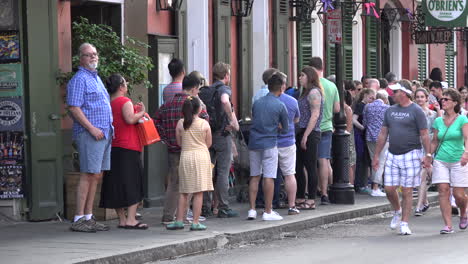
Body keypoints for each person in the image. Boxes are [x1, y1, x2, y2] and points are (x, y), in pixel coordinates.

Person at [372, 80, 432, 235]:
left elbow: (424, 134)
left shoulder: (416, 110)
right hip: (392, 153)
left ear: (404, 93)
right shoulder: (390, 110)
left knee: (407, 190)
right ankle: (397, 210)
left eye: (396, 92)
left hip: (411, 153)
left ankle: (405, 222)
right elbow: (383, 133)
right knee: (389, 189)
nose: (393, 94)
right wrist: (377, 155)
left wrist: (428, 155)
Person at [67, 43, 113, 233]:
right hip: (90, 134)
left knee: (96, 175)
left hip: (104, 133)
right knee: (87, 174)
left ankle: (88, 217)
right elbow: (73, 107)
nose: (93, 57)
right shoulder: (79, 79)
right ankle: (78, 218)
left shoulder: (95, 78)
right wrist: (92, 128)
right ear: (81, 58)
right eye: (88, 55)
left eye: (95, 54)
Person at [154, 75, 209, 225]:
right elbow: (205, 121)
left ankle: (168, 215)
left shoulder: (168, 103)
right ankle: (182, 216)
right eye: (197, 90)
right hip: (191, 149)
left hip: (173, 148)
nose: (197, 93)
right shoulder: (195, 105)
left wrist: (164, 137)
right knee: (189, 184)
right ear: (193, 89)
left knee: (173, 182)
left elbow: (156, 120)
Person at [100, 74, 147, 229]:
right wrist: (142, 112)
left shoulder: (108, 102)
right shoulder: (125, 101)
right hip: (129, 146)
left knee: (116, 182)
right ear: (121, 86)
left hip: (113, 145)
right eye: (125, 83)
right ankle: (131, 219)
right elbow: (130, 119)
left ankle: (121, 218)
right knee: (133, 182)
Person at [167, 96, 214, 231]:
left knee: (184, 191)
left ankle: (179, 220)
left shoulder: (180, 123)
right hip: (201, 156)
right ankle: (195, 222)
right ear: (199, 109)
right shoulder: (204, 124)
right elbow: (209, 143)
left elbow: (179, 143)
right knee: (199, 192)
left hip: (186, 156)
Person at [247, 73, 289, 221]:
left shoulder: (257, 103)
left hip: (254, 142)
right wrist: (277, 127)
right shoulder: (280, 105)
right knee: (269, 176)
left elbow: (254, 117)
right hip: (270, 142)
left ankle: (252, 209)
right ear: (281, 88)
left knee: (254, 175)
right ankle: (268, 210)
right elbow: (285, 128)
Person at [202, 62, 240, 218]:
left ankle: (205, 206)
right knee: (223, 172)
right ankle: (223, 206)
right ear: (226, 76)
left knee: (206, 171)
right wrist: (232, 119)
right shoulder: (224, 89)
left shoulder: (205, 91)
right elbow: (225, 101)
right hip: (221, 135)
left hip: (207, 134)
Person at [430, 89, 468, 234]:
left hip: (459, 159)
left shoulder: (462, 119)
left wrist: (466, 153)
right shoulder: (438, 120)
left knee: (459, 195)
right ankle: (448, 225)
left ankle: (464, 211)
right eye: (442, 99)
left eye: (446, 99)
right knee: (443, 190)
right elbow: (434, 141)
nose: (443, 101)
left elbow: (466, 139)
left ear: (455, 103)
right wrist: (428, 154)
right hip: (441, 160)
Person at [309, 57, 340, 205]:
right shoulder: (332, 86)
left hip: (312, 127)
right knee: (324, 160)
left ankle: (311, 191)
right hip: (327, 126)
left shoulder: (310, 85)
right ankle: (325, 192)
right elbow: (337, 109)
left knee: (309, 161)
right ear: (323, 67)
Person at [295, 66, 323, 210]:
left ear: (310, 77)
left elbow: (315, 114)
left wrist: (306, 135)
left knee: (310, 165)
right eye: (299, 75)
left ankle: (311, 199)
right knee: (298, 165)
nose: (300, 78)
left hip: (311, 132)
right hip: (301, 130)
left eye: (302, 75)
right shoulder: (303, 92)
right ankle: (300, 196)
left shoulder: (313, 92)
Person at [276, 72, 301, 215]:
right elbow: (297, 119)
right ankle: (291, 205)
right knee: (290, 174)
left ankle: (269, 205)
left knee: (269, 175)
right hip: (288, 141)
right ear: (284, 86)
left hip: (271, 141)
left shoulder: (266, 101)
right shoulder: (292, 101)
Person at [414, 88, 437, 216]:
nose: (420, 99)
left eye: (422, 97)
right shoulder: (412, 113)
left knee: (423, 175)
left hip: (428, 148)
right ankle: (425, 202)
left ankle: (418, 206)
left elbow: (435, 134)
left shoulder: (432, 114)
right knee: (419, 177)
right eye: (417, 97)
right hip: (415, 146)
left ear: (426, 98)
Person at [363, 90, 389, 197]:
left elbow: (364, 122)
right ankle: (376, 187)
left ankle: (375, 186)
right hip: (383, 138)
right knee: (381, 162)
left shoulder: (367, 107)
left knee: (373, 160)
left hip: (370, 137)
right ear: (385, 99)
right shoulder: (387, 108)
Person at [353, 88, 376, 194]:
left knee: (364, 160)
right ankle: (359, 184)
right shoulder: (361, 105)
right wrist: (363, 128)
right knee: (360, 159)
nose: (372, 100)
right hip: (359, 135)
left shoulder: (366, 106)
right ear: (365, 95)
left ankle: (363, 183)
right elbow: (354, 119)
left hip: (363, 135)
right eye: (371, 98)